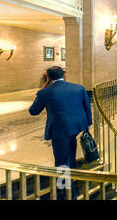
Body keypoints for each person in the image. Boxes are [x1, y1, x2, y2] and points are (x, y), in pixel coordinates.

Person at [29, 66, 92, 199]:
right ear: (64, 75)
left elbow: (33, 111)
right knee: (70, 155)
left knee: (61, 160)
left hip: (60, 130)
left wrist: (40, 91)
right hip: (76, 127)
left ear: (48, 78)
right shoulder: (79, 88)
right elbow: (87, 107)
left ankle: (66, 192)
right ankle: (69, 180)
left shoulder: (45, 92)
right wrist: (87, 125)